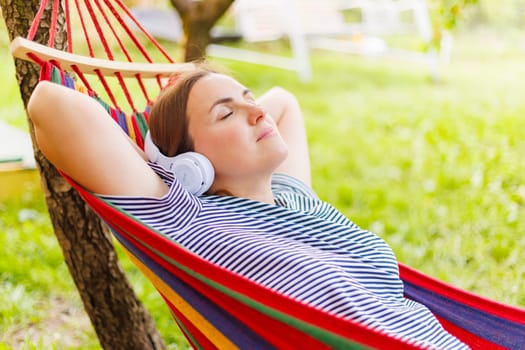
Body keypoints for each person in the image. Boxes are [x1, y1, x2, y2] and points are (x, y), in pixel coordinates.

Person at [28, 65, 468, 349]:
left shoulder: (295, 197)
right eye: (226, 114)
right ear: (190, 166)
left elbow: (284, 103)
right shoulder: (187, 217)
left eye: (248, 98)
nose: (258, 113)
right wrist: (160, 164)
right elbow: (50, 102)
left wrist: (211, 90)